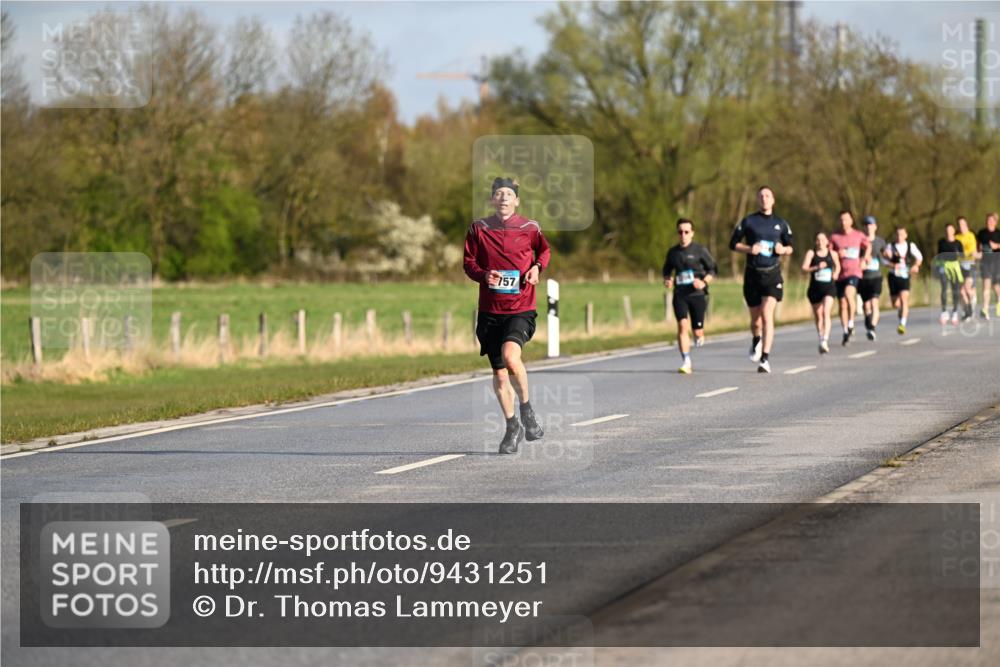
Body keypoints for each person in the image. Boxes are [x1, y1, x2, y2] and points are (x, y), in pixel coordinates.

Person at [464, 177, 550, 454]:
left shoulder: (529, 227)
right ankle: (512, 425)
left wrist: (537, 267)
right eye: (498, 194)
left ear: (516, 201)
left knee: (513, 358)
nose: (503, 198)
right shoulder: (479, 228)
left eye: (508, 194)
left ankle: (527, 410)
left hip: (520, 308)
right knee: (500, 375)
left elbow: (545, 251)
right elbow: (469, 263)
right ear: (492, 200)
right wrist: (484, 274)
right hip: (490, 312)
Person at [729, 185, 794, 374]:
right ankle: (756, 339)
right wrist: (749, 249)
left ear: (773, 200)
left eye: (768, 196)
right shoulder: (749, 221)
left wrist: (783, 250)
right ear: (758, 200)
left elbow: (791, 247)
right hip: (752, 275)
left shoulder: (781, 224)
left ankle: (765, 359)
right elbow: (733, 244)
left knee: (767, 314)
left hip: (772, 274)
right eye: (761, 196)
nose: (764, 199)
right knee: (755, 321)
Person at [662, 218, 718, 374]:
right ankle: (686, 361)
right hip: (680, 294)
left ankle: (699, 334)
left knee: (697, 331)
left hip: (698, 295)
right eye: (680, 232)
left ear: (692, 233)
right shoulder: (673, 253)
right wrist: (667, 280)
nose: (683, 235)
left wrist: (704, 282)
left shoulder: (700, 250)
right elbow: (666, 271)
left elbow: (713, 269)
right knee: (682, 325)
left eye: (686, 232)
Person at [830, 210, 870, 346]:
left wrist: (864, 259)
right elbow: (828, 252)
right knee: (842, 304)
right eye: (841, 219)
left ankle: (852, 322)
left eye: (846, 219)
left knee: (849, 295)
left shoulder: (858, 235)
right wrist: (836, 253)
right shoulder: (835, 237)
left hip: (854, 272)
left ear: (851, 221)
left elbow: (868, 246)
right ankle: (846, 329)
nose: (843, 222)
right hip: (840, 273)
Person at [801, 232, 840, 354]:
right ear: (815, 242)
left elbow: (838, 266)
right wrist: (816, 267)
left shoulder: (832, 254)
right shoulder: (811, 253)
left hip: (829, 287)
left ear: (827, 241)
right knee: (818, 316)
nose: (820, 242)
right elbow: (804, 268)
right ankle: (820, 336)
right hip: (815, 289)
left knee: (825, 312)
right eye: (818, 240)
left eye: (823, 239)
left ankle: (825, 340)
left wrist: (836, 273)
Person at [885, 227, 923, 335]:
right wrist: (891, 264)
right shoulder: (890, 246)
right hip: (893, 276)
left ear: (906, 235)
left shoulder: (910, 246)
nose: (899, 236)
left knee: (904, 298)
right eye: (897, 234)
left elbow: (920, 257)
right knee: (895, 303)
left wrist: (916, 266)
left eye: (901, 234)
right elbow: (883, 260)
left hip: (905, 275)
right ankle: (901, 311)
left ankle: (902, 324)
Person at [859, 216, 887, 341]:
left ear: (875, 227)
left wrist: (890, 256)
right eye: (866, 225)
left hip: (876, 276)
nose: (868, 227)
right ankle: (868, 321)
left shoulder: (880, 241)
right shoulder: (860, 241)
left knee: (874, 302)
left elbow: (887, 255)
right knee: (866, 306)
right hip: (863, 277)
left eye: (870, 225)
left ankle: (872, 328)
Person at [936, 223, 965, 326]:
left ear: (953, 231)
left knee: (955, 290)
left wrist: (958, 256)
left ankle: (955, 312)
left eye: (950, 230)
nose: (948, 232)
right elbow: (938, 255)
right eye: (947, 230)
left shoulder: (958, 243)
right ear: (945, 232)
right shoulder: (941, 242)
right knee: (944, 288)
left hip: (955, 267)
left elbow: (962, 257)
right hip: (944, 266)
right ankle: (944, 312)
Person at [955, 216, 979, 321]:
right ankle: (968, 310)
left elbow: (971, 251)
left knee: (967, 289)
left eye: (963, 224)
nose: (961, 226)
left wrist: (963, 254)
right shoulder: (956, 237)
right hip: (960, 266)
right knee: (961, 291)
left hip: (970, 265)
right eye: (959, 225)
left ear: (966, 225)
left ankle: (972, 303)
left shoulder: (971, 236)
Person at [978, 212, 1000, 320]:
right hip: (985, 262)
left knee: (995, 286)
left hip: (997, 262)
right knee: (986, 284)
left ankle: (999, 302)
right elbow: (978, 247)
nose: (989, 222)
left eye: (991, 220)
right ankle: (985, 309)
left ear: (995, 222)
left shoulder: (998, 233)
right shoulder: (981, 233)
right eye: (987, 220)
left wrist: (996, 246)